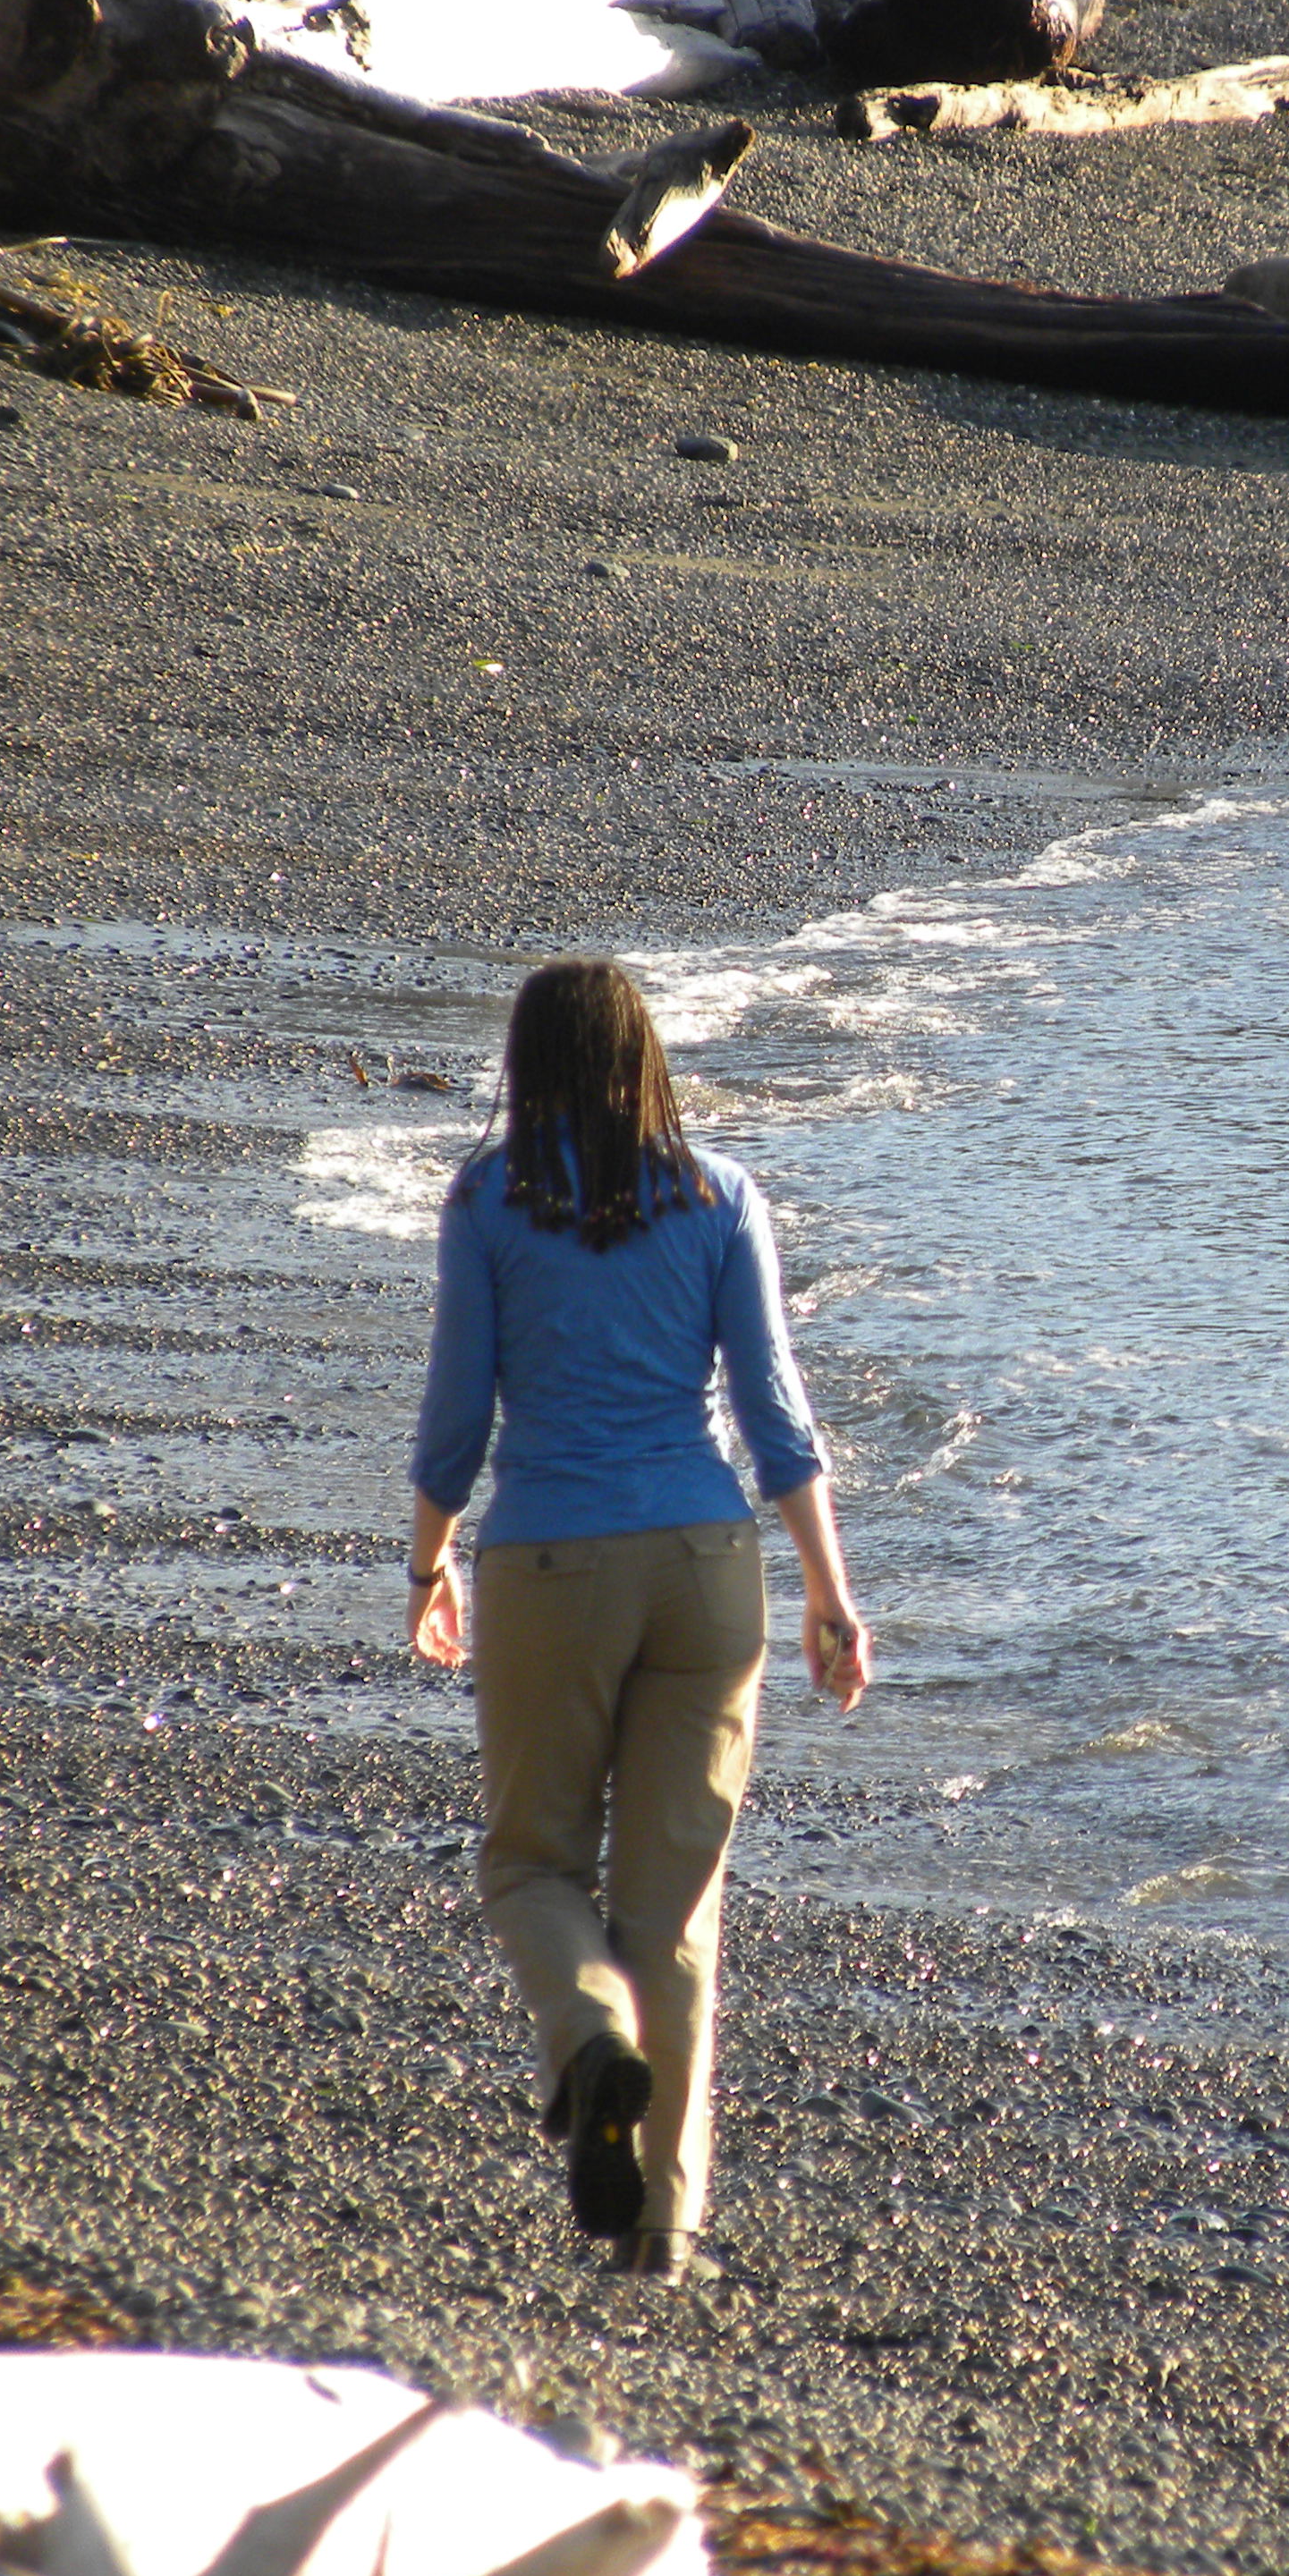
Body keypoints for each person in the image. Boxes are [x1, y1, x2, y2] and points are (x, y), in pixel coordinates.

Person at [405, 958, 870, 2284]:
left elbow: (456, 1420)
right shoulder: (722, 1196)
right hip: (709, 1563)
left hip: (551, 1561)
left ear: (526, 1063)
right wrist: (832, 1597)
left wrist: (427, 1565)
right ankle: (663, 2232)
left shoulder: (486, 1201)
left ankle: (589, 2032)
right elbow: (777, 1420)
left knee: (534, 1865)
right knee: (677, 1913)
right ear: (643, 1055)